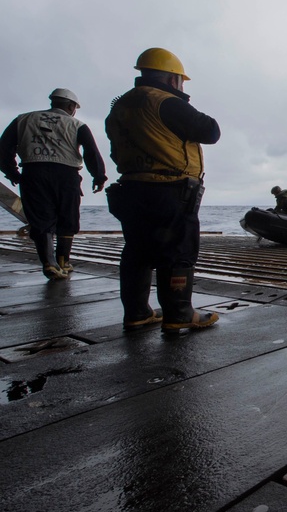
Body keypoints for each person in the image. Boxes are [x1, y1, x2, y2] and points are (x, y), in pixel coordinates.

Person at [104, 48, 221, 331]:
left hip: (131, 187)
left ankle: (136, 312)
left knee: (136, 251)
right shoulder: (165, 102)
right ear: (173, 79)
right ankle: (179, 312)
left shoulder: (120, 106)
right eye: (181, 82)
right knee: (178, 249)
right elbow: (210, 131)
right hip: (169, 189)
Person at [0, 88, 107, 280]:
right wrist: (99, 176)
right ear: (72, 106)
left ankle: (49, 263)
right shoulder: (77, 125)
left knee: (41, 219)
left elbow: (3, 148)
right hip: (66, 175)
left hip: (33, 172)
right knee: (68, 216)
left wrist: (12, 172)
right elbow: (91, 152)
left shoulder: (22, 120)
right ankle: (64, 261)